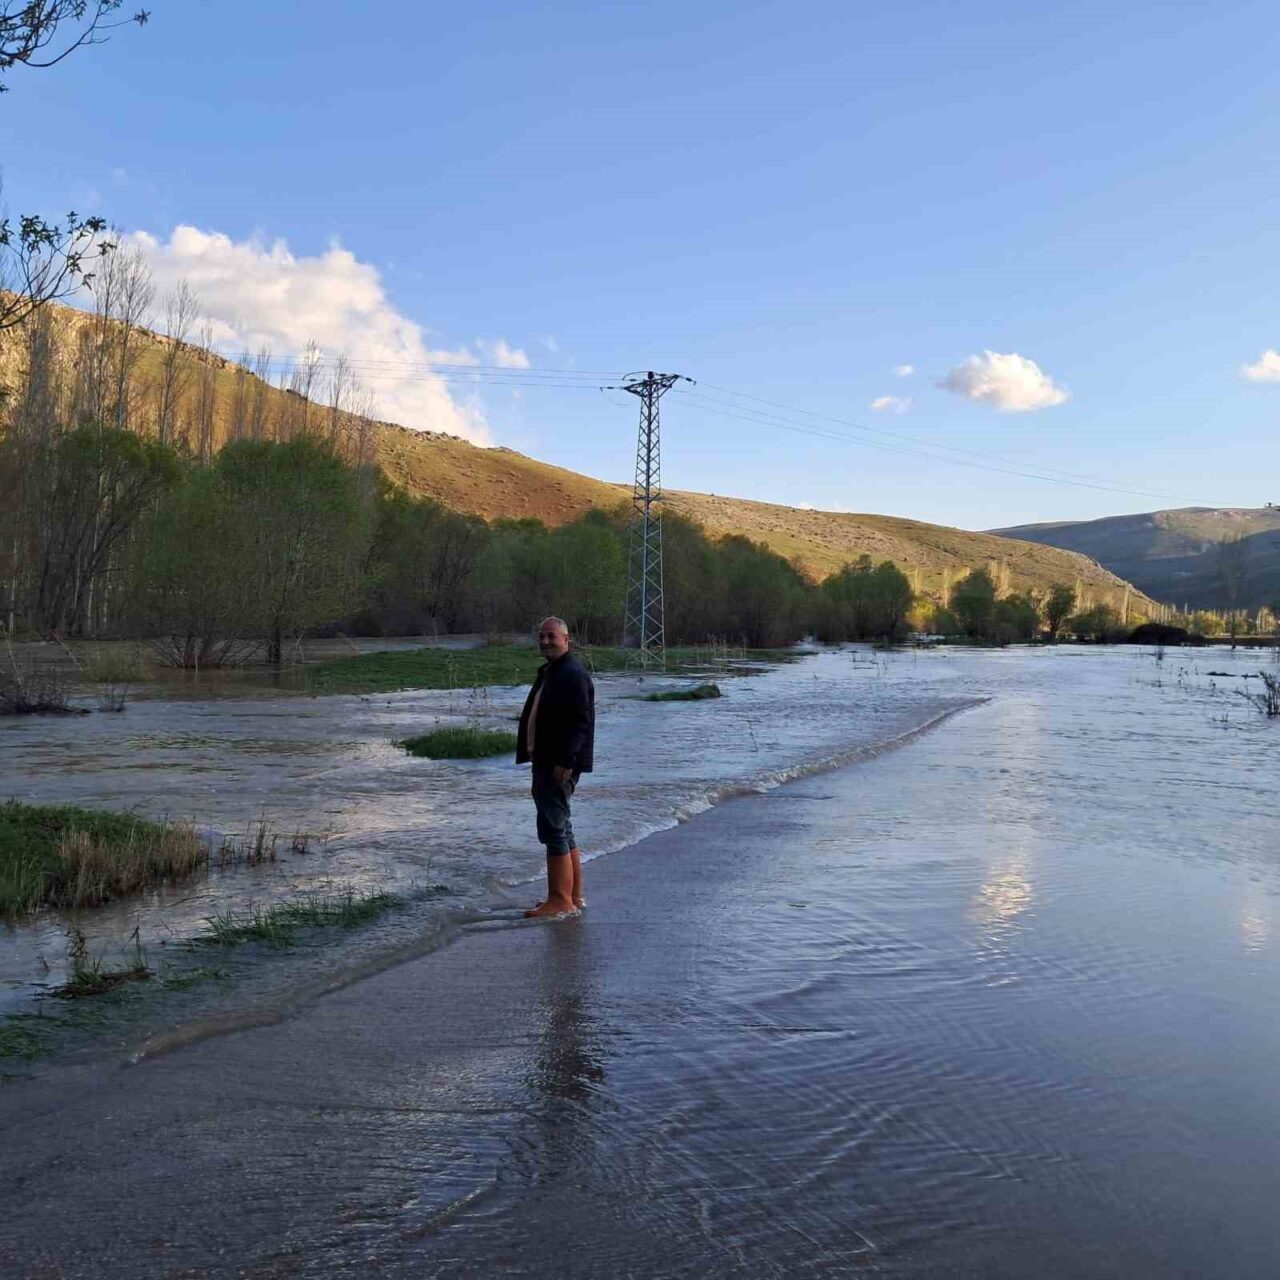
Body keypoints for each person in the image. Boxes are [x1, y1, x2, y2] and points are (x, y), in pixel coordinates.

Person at [516, 617, 595, 918]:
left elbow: (579, 722)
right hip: (548, 759)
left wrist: (565, 762)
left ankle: (560, 900)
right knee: (562, 826)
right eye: (541, 636)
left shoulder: (571, 674)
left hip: (556, 763)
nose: (545, 641)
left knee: (553, 828)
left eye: (551, 636)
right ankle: (572, 896)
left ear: (566, 639)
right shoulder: (555, 671)